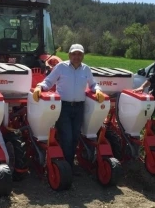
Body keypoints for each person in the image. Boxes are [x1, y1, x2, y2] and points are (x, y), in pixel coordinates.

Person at [32, 44, 105, 173]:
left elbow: (93, 84)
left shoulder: (86, 69)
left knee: (76, 136)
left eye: (79, 54)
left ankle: (66, 164)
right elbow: (48, 81)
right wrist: (39, 87)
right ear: (69, 55)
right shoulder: (61, 67)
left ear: (82, 55)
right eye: (74, 54)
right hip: (63, 107)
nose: (76, 57)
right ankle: (67, 168)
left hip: (79, 107)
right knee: (67, 136)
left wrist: (98, 91)